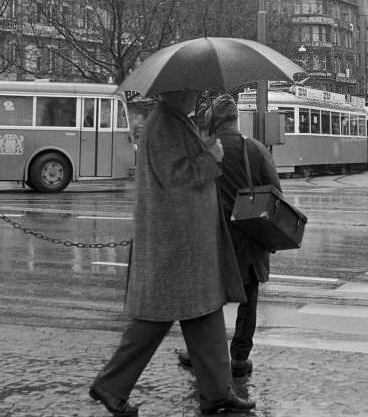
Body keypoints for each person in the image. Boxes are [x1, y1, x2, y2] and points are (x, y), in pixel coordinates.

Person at [89, 89, 254, 417]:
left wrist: (204, 149)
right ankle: (110, 386)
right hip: (177, 241)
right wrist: (212, 157)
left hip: (187, 240)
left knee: (204, 313)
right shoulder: (164, 123)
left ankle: (217, 393)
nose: (196, 97)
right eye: (192, 91)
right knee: (155, 318)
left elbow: (180, 166)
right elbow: (176, 176)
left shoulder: (174, 120)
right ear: (178, 92)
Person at [177, 94, 279, 377]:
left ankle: (201, 353)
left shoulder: (202, 151)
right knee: (249, 299)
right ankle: (239, 359)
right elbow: (276, 195)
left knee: (207, 300)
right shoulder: (256, 150)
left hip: (212, 240)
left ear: (212, 121)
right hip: (249, 240)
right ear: (236, 121)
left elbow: (186, 193)